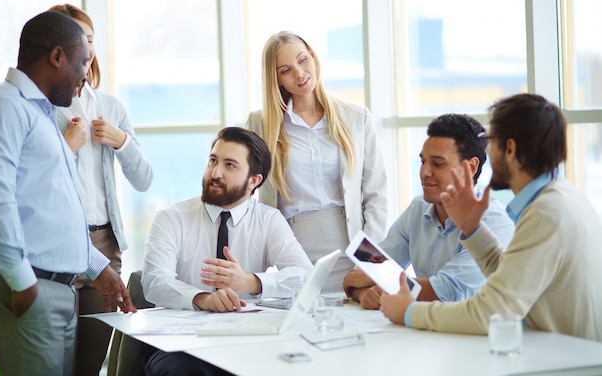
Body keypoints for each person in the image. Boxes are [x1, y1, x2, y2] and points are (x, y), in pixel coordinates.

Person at [0, 11, 136, 376]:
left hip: (54, 288)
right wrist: (23, 283)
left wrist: (98, 268)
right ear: (56, 56)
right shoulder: (4, 107)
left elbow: (53, 208)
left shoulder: (41, 115)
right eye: (83, 62)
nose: (85, 75)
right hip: (29, 289)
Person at [380, 93, 602, 342]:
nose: (486, 152)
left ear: (509, 149)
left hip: (567, 361)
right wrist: (472, 229)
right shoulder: (560, 197)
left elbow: (492, 311)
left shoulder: (548, 212)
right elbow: (511, 281)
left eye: (490, 141)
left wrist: (410, 312)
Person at [141, 126, 313, 375]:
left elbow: (305, 275)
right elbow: (155, 282)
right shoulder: (171, 218)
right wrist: (202, 299)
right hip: (180, 343)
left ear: (254, 181)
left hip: (245, 338)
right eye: (213, 160)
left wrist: (252, 282)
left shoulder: (269, 220)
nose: (216, 172)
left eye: (230, 165)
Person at [48, 3, 154, 376]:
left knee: (89, 366)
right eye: (78, 40)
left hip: (104, 246)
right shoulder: (42, 108)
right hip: (56, 248)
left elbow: (144, 180)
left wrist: (121, 141)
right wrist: (68, 144)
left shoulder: (110, 106)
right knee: (54, 364)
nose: (86, 49)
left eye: (90, 40)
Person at [246, 31, 388, 292]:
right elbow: (252, 196)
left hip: (351, 248)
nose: (300, 73)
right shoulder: (261, 124)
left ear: (313, 56)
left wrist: (371, 261)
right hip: (294, 250)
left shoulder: (357, 118)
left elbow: (376, 193)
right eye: (286, 70)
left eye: (303, 60)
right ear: (275, 79)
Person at [343, 114, 514, 308]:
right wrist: (365, 292)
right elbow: (362, 270)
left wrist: (383, 284)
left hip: (473, 333)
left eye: (438, 164)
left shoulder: (496, 222)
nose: (424, 172)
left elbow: (447, 290)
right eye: (423, 161)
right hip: (421, 328)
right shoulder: (418, 208)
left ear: (471, 167)